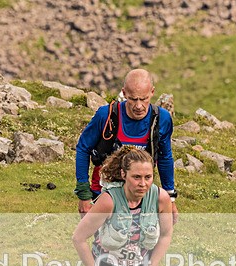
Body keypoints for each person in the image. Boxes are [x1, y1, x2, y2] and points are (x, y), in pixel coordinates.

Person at [75, 69, 179, 223]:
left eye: (143, 99)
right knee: (107, 242)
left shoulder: (162, 119)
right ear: (124, 93)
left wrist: (170, 199)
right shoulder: (106, 115)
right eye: (133, 99)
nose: (138, 106)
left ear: (152, 92)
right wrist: (84, 194)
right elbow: (83, 148)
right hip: (103, 194)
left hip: (141, 194)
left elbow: (165, 158)